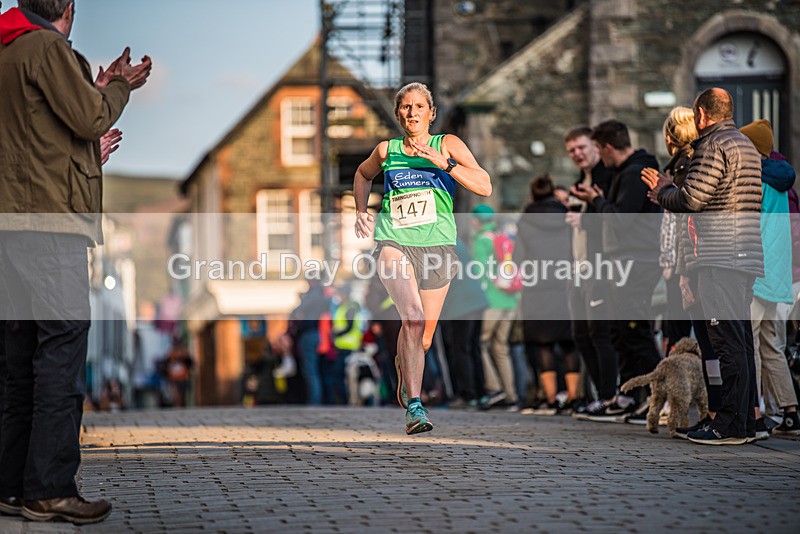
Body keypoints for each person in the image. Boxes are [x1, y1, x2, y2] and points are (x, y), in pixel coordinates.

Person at [0, 0, 151, 524]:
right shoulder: (48, 47)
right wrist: (119, 86)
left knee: (18, 361)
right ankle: (50, 488)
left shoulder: (7, 46)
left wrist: (88, 144)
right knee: (60, 356)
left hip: (8, 226)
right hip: (50, 226)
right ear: (67, 6)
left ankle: (11, 485)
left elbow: (33, 142)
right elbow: (88, 117)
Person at [353, 82, 491, 434]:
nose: (412, 112)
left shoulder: (448, 144)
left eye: (419, 106)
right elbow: (362, 174)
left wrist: (445, 165)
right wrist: (360, 210)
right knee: (411, 319)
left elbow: (484, 185)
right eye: (405, 107)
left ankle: (406, 366)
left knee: (424, 338)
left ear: (431, 113)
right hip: (394, 242)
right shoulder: (387, 150)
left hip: (439, 248)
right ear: (398, 113)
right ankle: (415, 407)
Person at [642, 87, 763, 445]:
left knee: (726, 340)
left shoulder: (712, 146)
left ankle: (728, 424)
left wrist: (664, 189)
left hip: (719, 254)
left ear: (702, 114)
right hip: (743, 252)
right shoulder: (744, 144)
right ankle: (745, 421)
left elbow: (692, 198)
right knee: (740, 341)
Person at [571, 120, 662, 423]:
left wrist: (596, 201)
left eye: (597, 148)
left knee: (636, 331)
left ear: (607, 148)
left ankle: (655, 397)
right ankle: (630, 396)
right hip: (624, 261)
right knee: (622, 330)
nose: (599, 156)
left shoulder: (636, 173)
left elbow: (622, 219)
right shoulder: (625, 173)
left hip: (637, 261)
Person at [739, 120, 799, 438]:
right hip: (778, 275)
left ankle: (756, 411)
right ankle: (790, 411)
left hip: (756, 273)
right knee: (772, 345)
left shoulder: (755, 182)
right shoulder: (783, 184)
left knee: (748, 345)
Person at [561, 126, 617, 416]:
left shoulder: (607, 179)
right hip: (578, 267)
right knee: (580, 333)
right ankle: (600, 394)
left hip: (599, 266)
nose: (577, 154)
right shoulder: (579, 181)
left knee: (600, 332)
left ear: (595, 147)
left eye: (582, 147)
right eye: (572, 151)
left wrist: (584, 221)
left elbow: (613, 221)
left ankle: (610, 396)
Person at [514, 175, 581, 413]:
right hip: (566, 284)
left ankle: (551, 399)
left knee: (543, 344)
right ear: (553, 193)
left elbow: (518, 259)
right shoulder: (566, 215)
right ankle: (574, 397)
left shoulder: (525, 221)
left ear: (532, 195)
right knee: (569, 343)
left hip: (537, 288)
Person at [471, 204, 520, 410]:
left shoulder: (481, 241)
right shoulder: (505, 238)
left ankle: (494, 388)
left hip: (492, 301)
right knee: (501, 347)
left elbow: (480, 274)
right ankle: (511, 395)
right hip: (511, 299)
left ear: (476, 221)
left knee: (481, 343)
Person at [658, 107, 695, 353]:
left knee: (679, 329)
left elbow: (681, 219)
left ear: (670, 138)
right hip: (682, 260)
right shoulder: (685, 164)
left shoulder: (685, 165)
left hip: (683, 262)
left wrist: (670, 262)